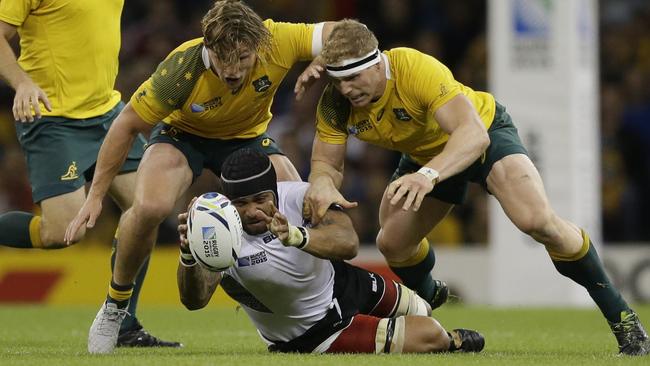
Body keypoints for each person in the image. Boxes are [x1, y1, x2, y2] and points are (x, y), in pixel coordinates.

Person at [299, 19, 650, 356]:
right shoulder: (336, 102)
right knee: (393, 243)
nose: (347, 88)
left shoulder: (413, 68)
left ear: (378, 64)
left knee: (537, 221)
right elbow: (326, 164)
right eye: (339, 79)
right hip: (427, 156)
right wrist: (322, 185)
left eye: (354, 77)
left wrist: (427, 176)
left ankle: (624, 319)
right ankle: (428, 295)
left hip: (482, 136)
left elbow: (471, 135)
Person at [64, 0, 339, 354]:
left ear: (258, 44)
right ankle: (115, 307)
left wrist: (321, 58)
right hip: (184, 136)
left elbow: (345, 33)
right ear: (207, 46)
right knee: (148, 206)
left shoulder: (279, 39)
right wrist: (96, 195)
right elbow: (126, 124)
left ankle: (331, 296)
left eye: (242, 57)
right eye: (223, 58)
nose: (233, 70)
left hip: (247, 137)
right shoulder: (182, 69)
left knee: (302, 201)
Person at [177, 148, 485, 354]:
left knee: (422, 309)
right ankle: (452, 343)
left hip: (342, 282)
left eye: (260, 199)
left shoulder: (299, 197)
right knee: (431, 334)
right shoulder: (217, 232)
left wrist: (296, 236)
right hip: (314, 332)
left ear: (275, 191)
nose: (253, 211)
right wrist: (189, 254)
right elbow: (195, 300)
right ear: (230, 203)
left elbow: (348, 243)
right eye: (241, 204)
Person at [0, 0, 180, 348]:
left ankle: (123, 324)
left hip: (107, 114)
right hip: (52, 115)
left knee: (148, 208)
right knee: (62, 232)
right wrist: (21, 83)